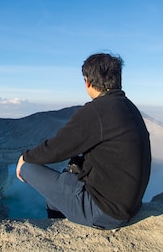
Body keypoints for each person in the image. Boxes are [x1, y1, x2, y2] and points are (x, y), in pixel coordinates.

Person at [15, 53, 151, 229]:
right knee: (58, 191)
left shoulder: (97, 111)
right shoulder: (128, 107)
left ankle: (61, 231)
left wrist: (24, 158)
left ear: (87, 82)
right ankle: (61, 229)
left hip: (105, 211)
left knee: (28, 168)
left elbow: (56, 149)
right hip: (128, 206)